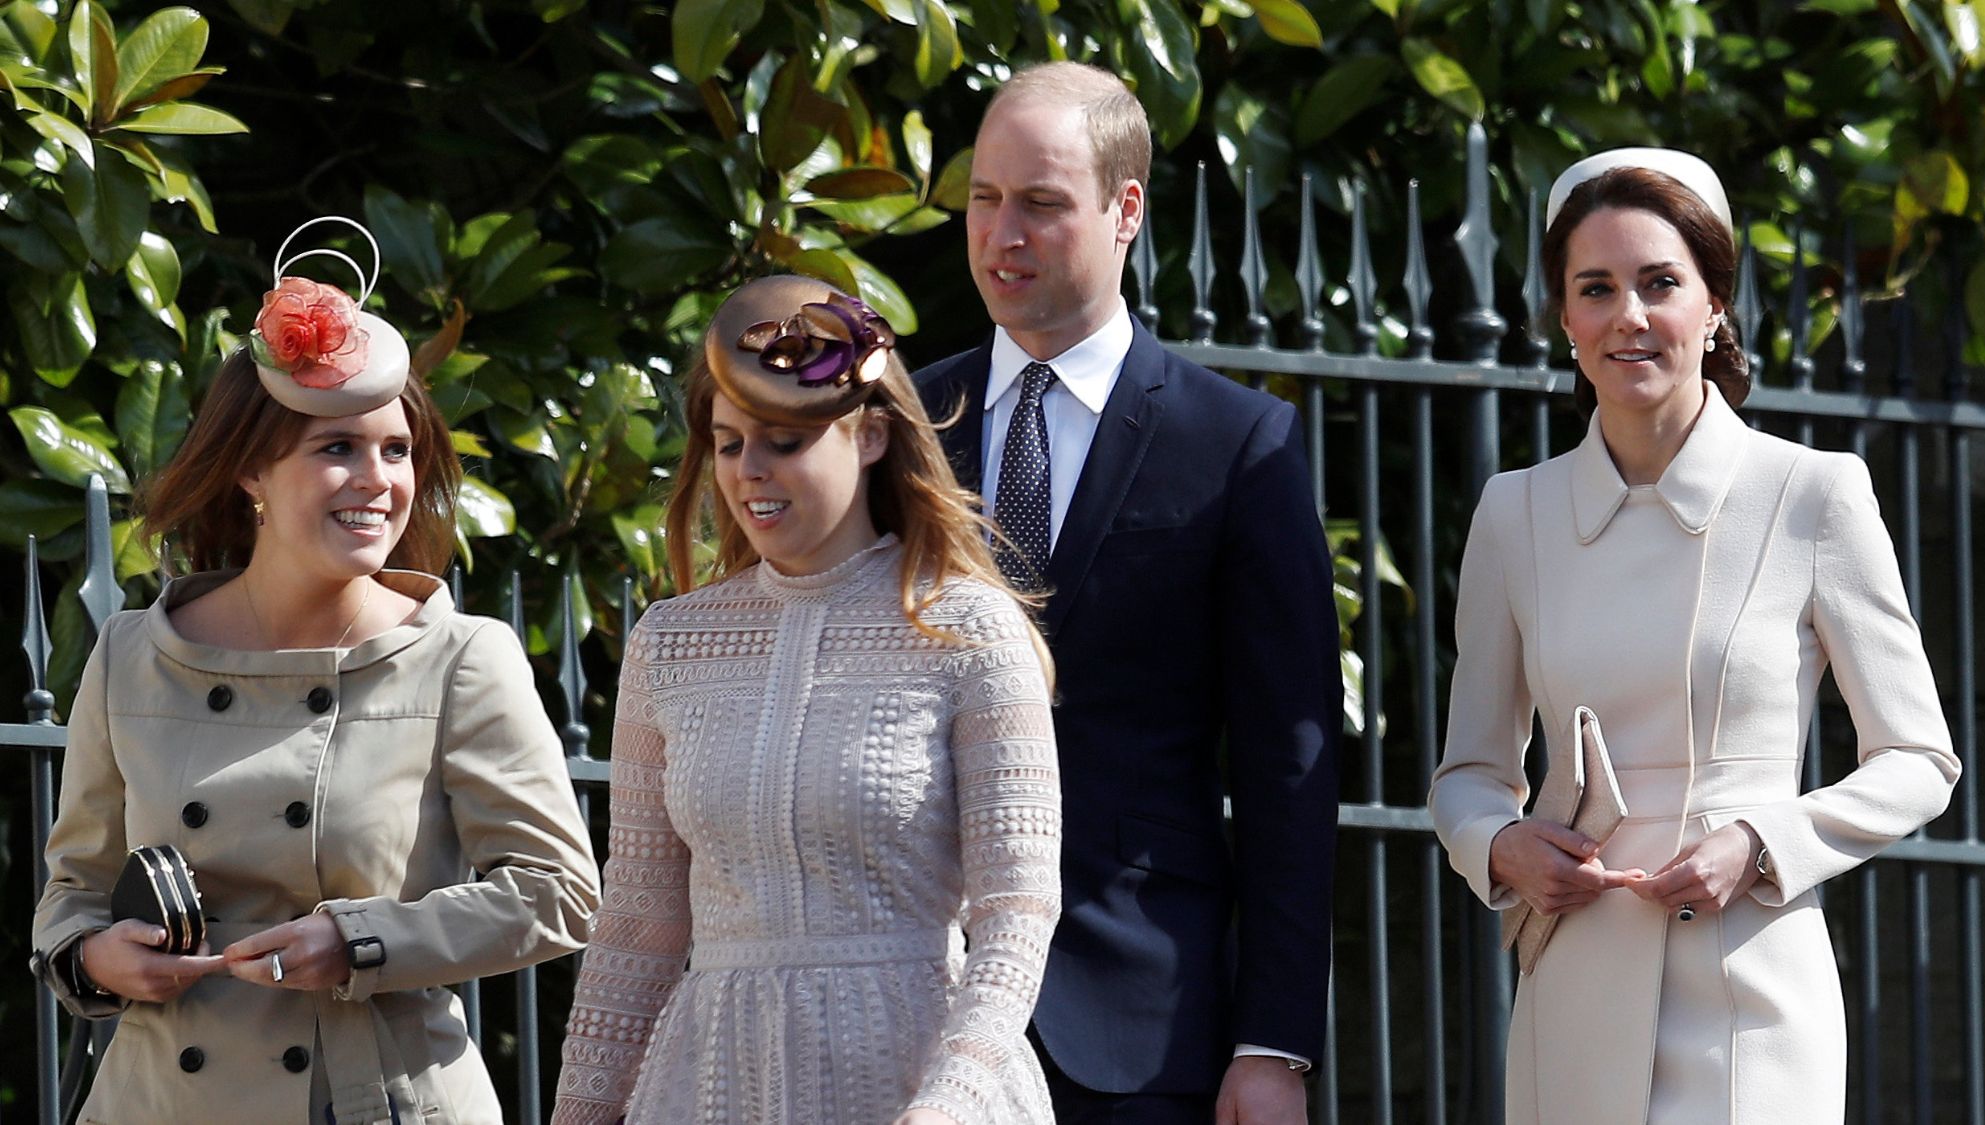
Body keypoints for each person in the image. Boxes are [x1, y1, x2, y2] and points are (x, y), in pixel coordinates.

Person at [29, 218, 601, 1124]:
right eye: (337, 448)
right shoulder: (134, 653)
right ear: (254, 469)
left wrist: (361, 938)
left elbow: (557, 890)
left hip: (372, 1098)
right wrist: (93, 957)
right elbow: (74, 888)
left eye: (397, 449)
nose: (377, 479)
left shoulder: (461, 655)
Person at [1428, 149, 1961, 1122]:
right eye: (1595, 288)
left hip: (1749, 992)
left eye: (1658, 283)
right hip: (1571, 984)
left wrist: (1760, 840)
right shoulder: (1513, 514)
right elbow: (1466, 771)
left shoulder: (1811, 494)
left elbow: (1918, 757)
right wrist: (1499, 844)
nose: (1626, 316)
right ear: (1562, 317)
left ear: (1713, 301)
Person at [912, 62, 1341, 1125]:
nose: (1000, 234)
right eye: (982, 199)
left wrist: (1273, 1043)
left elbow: (1288, 764)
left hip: (1139, 1029)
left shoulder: (1237, 444)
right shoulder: (904, 431)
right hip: (916, 1010)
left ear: (1125, 210)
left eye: (1041, 204)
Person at [551, 275, 1062, 1125]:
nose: (750, 472)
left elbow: (1018, 906)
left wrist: (955, 1099)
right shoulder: (670, 642)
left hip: (916, 1081)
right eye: (727, 443)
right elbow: (639, 920)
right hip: (711, 1087)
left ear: (867, 436)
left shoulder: (969, 627)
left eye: (784, 441)